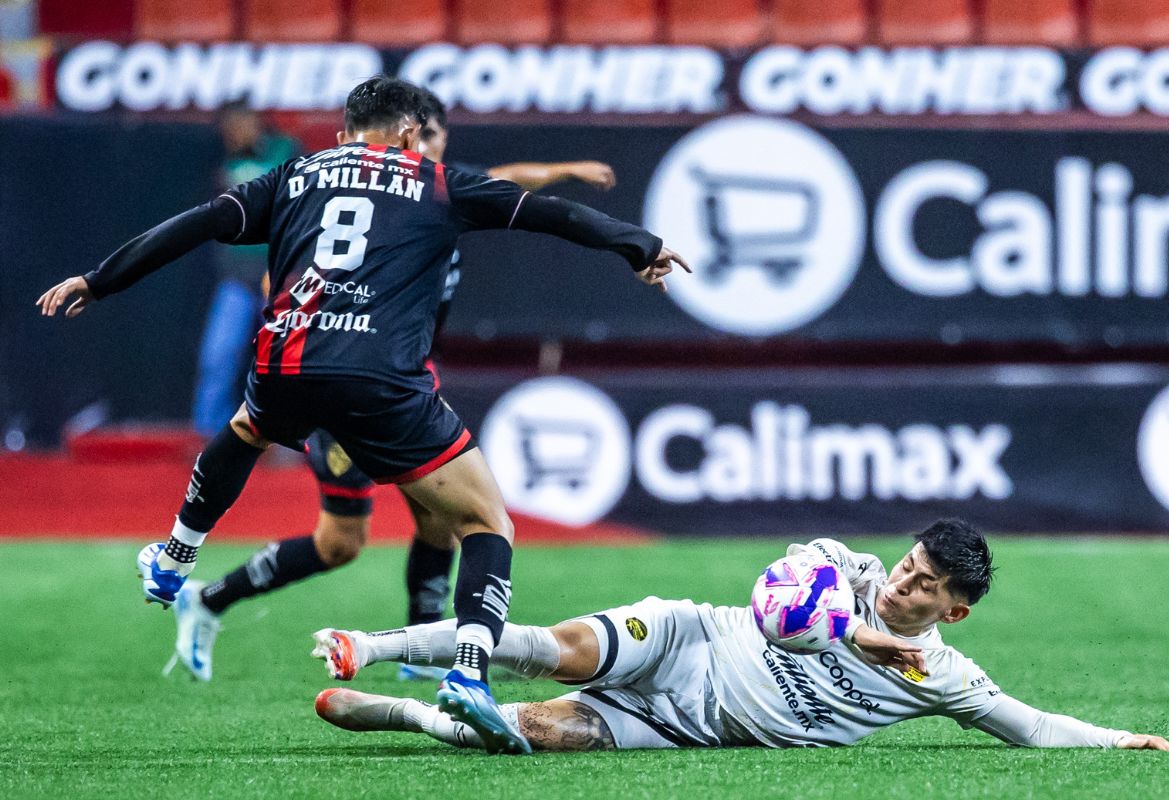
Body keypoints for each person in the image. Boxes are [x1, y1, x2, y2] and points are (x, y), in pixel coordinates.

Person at [36, 76, 689, 756]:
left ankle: (175, 556)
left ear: (346, 131)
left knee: (247, 431)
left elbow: (195, 225)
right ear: (409, 134)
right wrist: (638, 245)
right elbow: (548, 215)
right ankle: (468, 673)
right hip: (382, 378)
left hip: (288, 364)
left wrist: (100, 279)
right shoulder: (435, 181)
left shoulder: (291, 175)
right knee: (483, 520)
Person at [172, 88, 624, 684]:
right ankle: (210, 598)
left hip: (401, 376)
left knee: (442, 517)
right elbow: (285, 276)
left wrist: (565, 171)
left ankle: (423, 650)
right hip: (346, 376)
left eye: (439, 142)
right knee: (343, 542)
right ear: (411, 136)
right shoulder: (382, 197)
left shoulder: (443, 190)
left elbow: (513, 179)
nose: (432, 152)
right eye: (427, 139)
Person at [310, 519, 1169, 753]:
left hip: (690, 725)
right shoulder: (841, 562)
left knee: (522, 734)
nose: (905, 582)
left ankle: (400, 713)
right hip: (687, 640)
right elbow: (775, 614)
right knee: (552, 645)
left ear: (955, 611)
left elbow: (1030, 725)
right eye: (911, 564)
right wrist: (865, 637)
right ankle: (373, 644)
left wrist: (1120, 738)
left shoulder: (942, 674)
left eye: (926, 587)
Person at [193, 104, 298, 436]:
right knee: (218, 357)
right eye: (228, 130)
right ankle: (211, 438)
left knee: (286, 360)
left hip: (279, 278)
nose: (233, 135)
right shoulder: (223, 163)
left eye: (238, 126)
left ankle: (287, 435)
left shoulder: (285, 150)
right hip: (237, 279)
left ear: (254, 123)